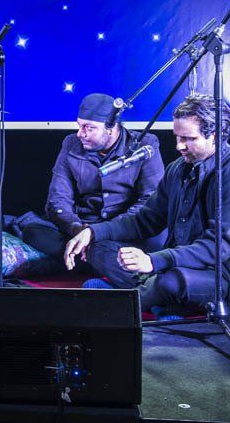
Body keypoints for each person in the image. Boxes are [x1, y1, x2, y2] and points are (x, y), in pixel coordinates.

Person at [64, 94, 230, 316]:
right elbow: (145, 221)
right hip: (179, 263)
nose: (179, 146)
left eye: (188, 139)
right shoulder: (178, 168)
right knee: (99, 248)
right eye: (177, 137)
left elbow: (217, 247)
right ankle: (158, 301)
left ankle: (132, 298)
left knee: (171, 281)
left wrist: (153, 261)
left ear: (214, 136)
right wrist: (93, 232)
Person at [20, 92, 164, 286]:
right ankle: (102, 264)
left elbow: (150, 203)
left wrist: (99, 233)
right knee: (33, 232)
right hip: (84, 227)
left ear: (111, 129)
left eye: (89, 128)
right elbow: (57, 200)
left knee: (106, 249)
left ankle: (146, 286)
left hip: (127, 230)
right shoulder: (71, 144)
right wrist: (79, 230)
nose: (81, 134)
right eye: (79, 126)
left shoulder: (145, 145)